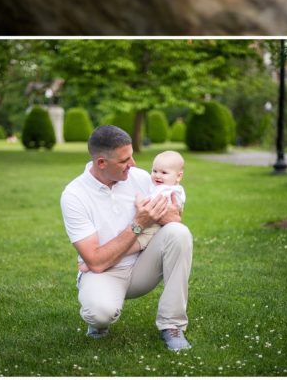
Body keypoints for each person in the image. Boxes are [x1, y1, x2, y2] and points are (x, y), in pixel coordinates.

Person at [59, 125, 194, 351]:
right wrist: (140, 222)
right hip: (104, 272)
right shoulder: (74, 195)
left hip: (143, 266)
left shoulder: (139, 177)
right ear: (102, 163)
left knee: (179, 234)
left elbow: (174, 217)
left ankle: (172, 325)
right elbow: (96, 261)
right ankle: (97, 321)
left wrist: (153, 217)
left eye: (132, 156)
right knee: (99, 313)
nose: (133, 164)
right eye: (125, 161)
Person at [136, 150, 187, 250]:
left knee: (142, 239)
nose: (157, 175)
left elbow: (152, 203)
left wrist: (139, 200)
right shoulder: (173, 187)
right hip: (161, 223)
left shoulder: (166, 190)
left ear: (178, 176)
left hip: (156, 225)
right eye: (154, 171)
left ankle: (123, 253)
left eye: (164, 172)